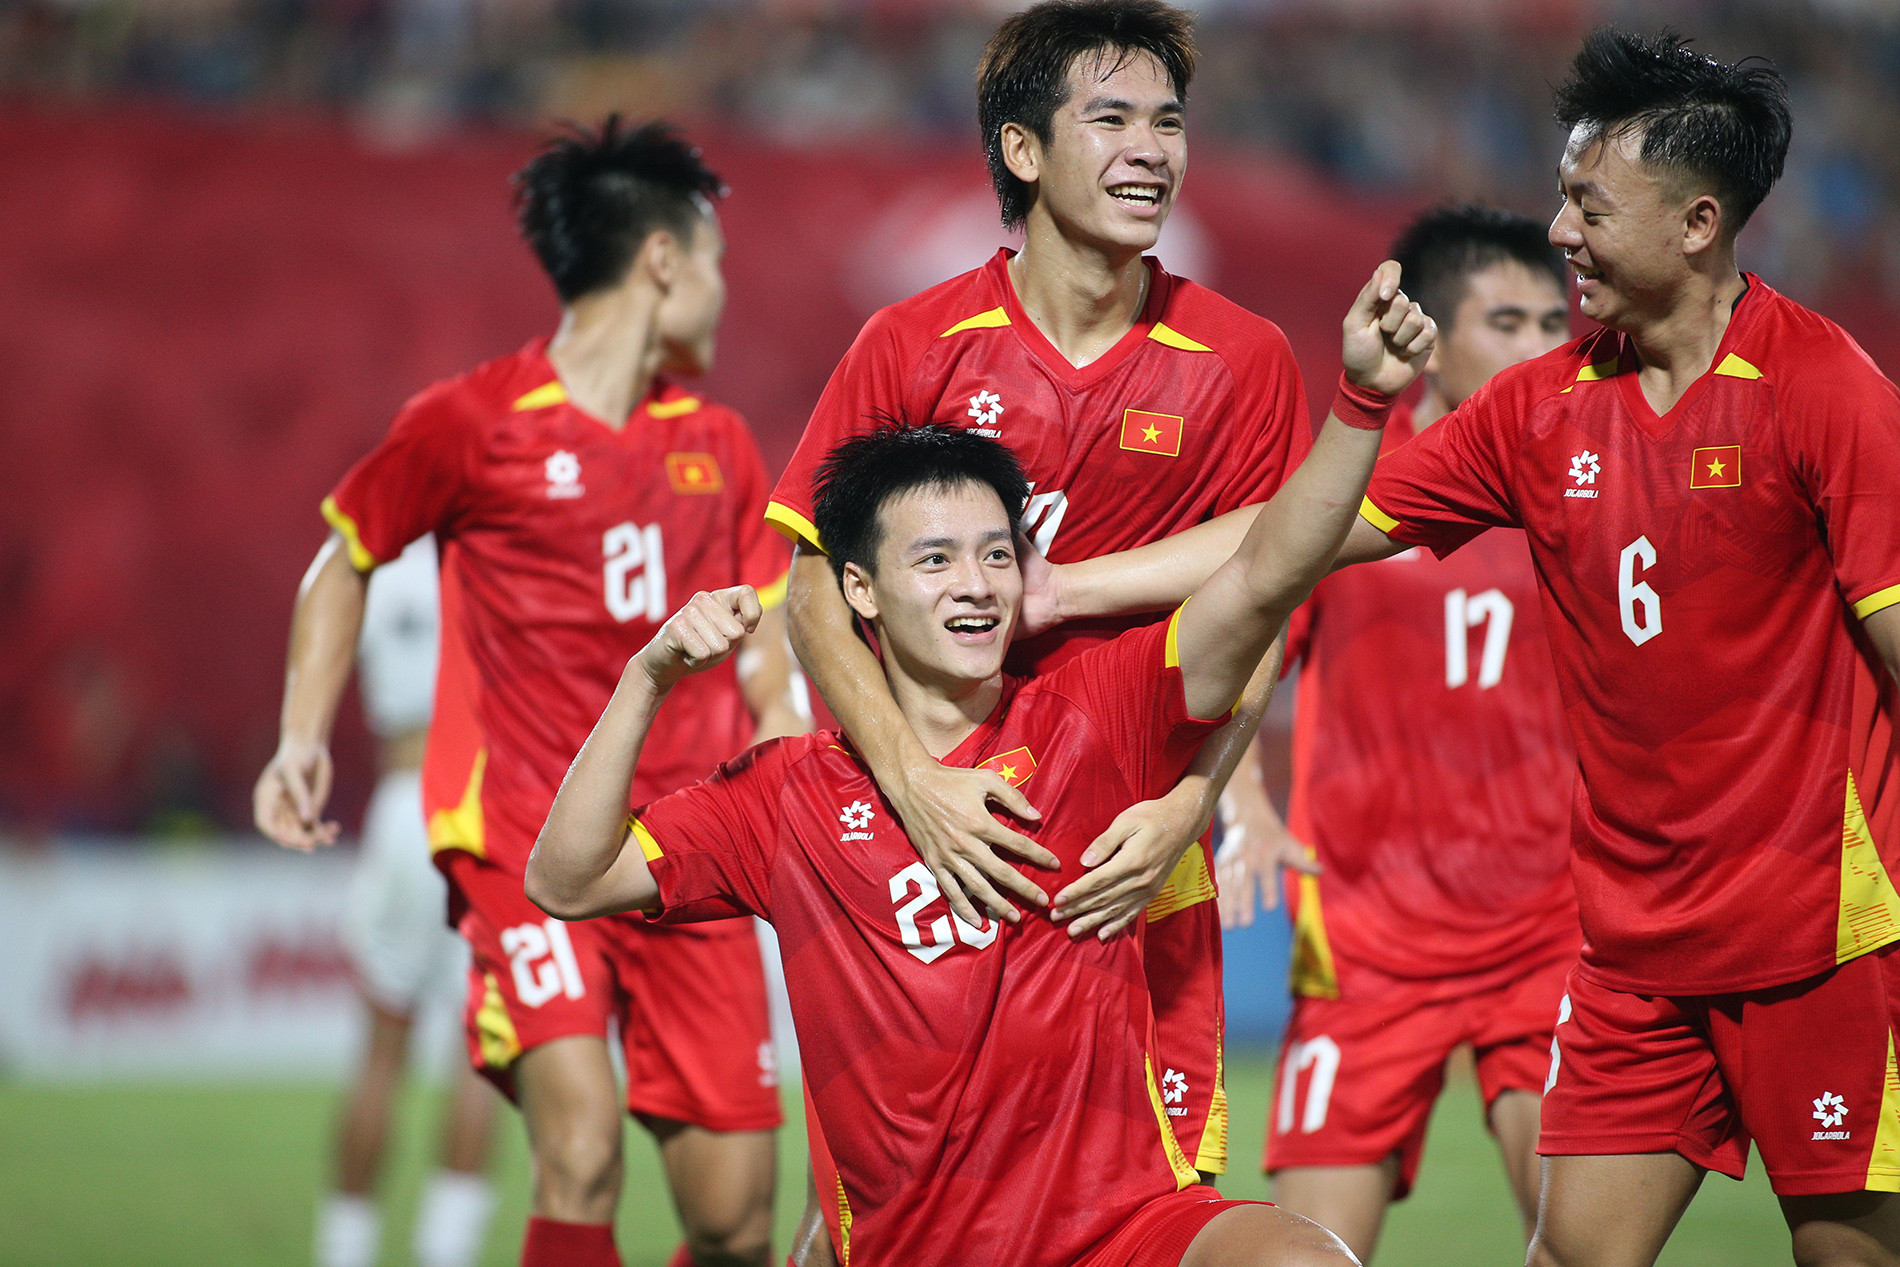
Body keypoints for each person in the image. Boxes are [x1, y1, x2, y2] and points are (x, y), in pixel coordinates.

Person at [1018, 29, 1900, 1267]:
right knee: (1575, 1253)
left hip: (1818, 936)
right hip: (1631, 952)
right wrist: (1063, 586)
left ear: (1698, 223)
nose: (1559, 230)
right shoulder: (1538, 409)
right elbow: (1296, 536)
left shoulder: (1823, 390)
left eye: (1590, 206)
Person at [525, 258, 1434, 1265]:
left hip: (1120, 1230)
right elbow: (565, 879)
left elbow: (1267, 568)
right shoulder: (789, 795)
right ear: (860, 590)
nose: (976, 584)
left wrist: (1360, 403)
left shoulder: (1099, 719)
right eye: (936, 559)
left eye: (997, 553)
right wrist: (647, 677)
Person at [767, 0, 1311, 1198]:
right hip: (938, 841)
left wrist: (1189, 804)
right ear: (1022, 148)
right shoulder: (913, 345)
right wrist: (910, 782)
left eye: (1168, 122)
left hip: (1128, 847)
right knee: (907, 1205)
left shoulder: (1242, 359)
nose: (1149, 150)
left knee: (1146, 1206)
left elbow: (1264, 603)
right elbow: (810, 594)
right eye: (1109, 119)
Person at [254, 119, 805, 1267]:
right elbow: (343, 560)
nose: (721, 289)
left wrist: (780, 719)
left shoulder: (718, 444)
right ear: (662, 260)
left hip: (687, 852)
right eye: (712, 260)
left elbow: (765, 625)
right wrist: (301, 735)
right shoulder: (470, 423)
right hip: (522, 846)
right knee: (580, 1148)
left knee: (734, 1219)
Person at [1214, 206, 1577, 1262]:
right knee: (1309, 1252)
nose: (1538, 346)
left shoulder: (1587, 481)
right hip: (1367, 940)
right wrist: (1245, 802)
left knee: (1586, 1245)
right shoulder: (1351, 486)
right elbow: (1249, 640)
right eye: (1505, 321)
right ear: (1431, 336)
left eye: (1552, 322)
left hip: (1549, 931)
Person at [317, 535, 501, 1267]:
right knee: (481, 1054)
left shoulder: (376, 558)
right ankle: (445, 1250)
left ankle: (345, 1248)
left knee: (380, 1052)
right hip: (481, 807)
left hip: (403, 801)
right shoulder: (500, 552)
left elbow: (322, 629)